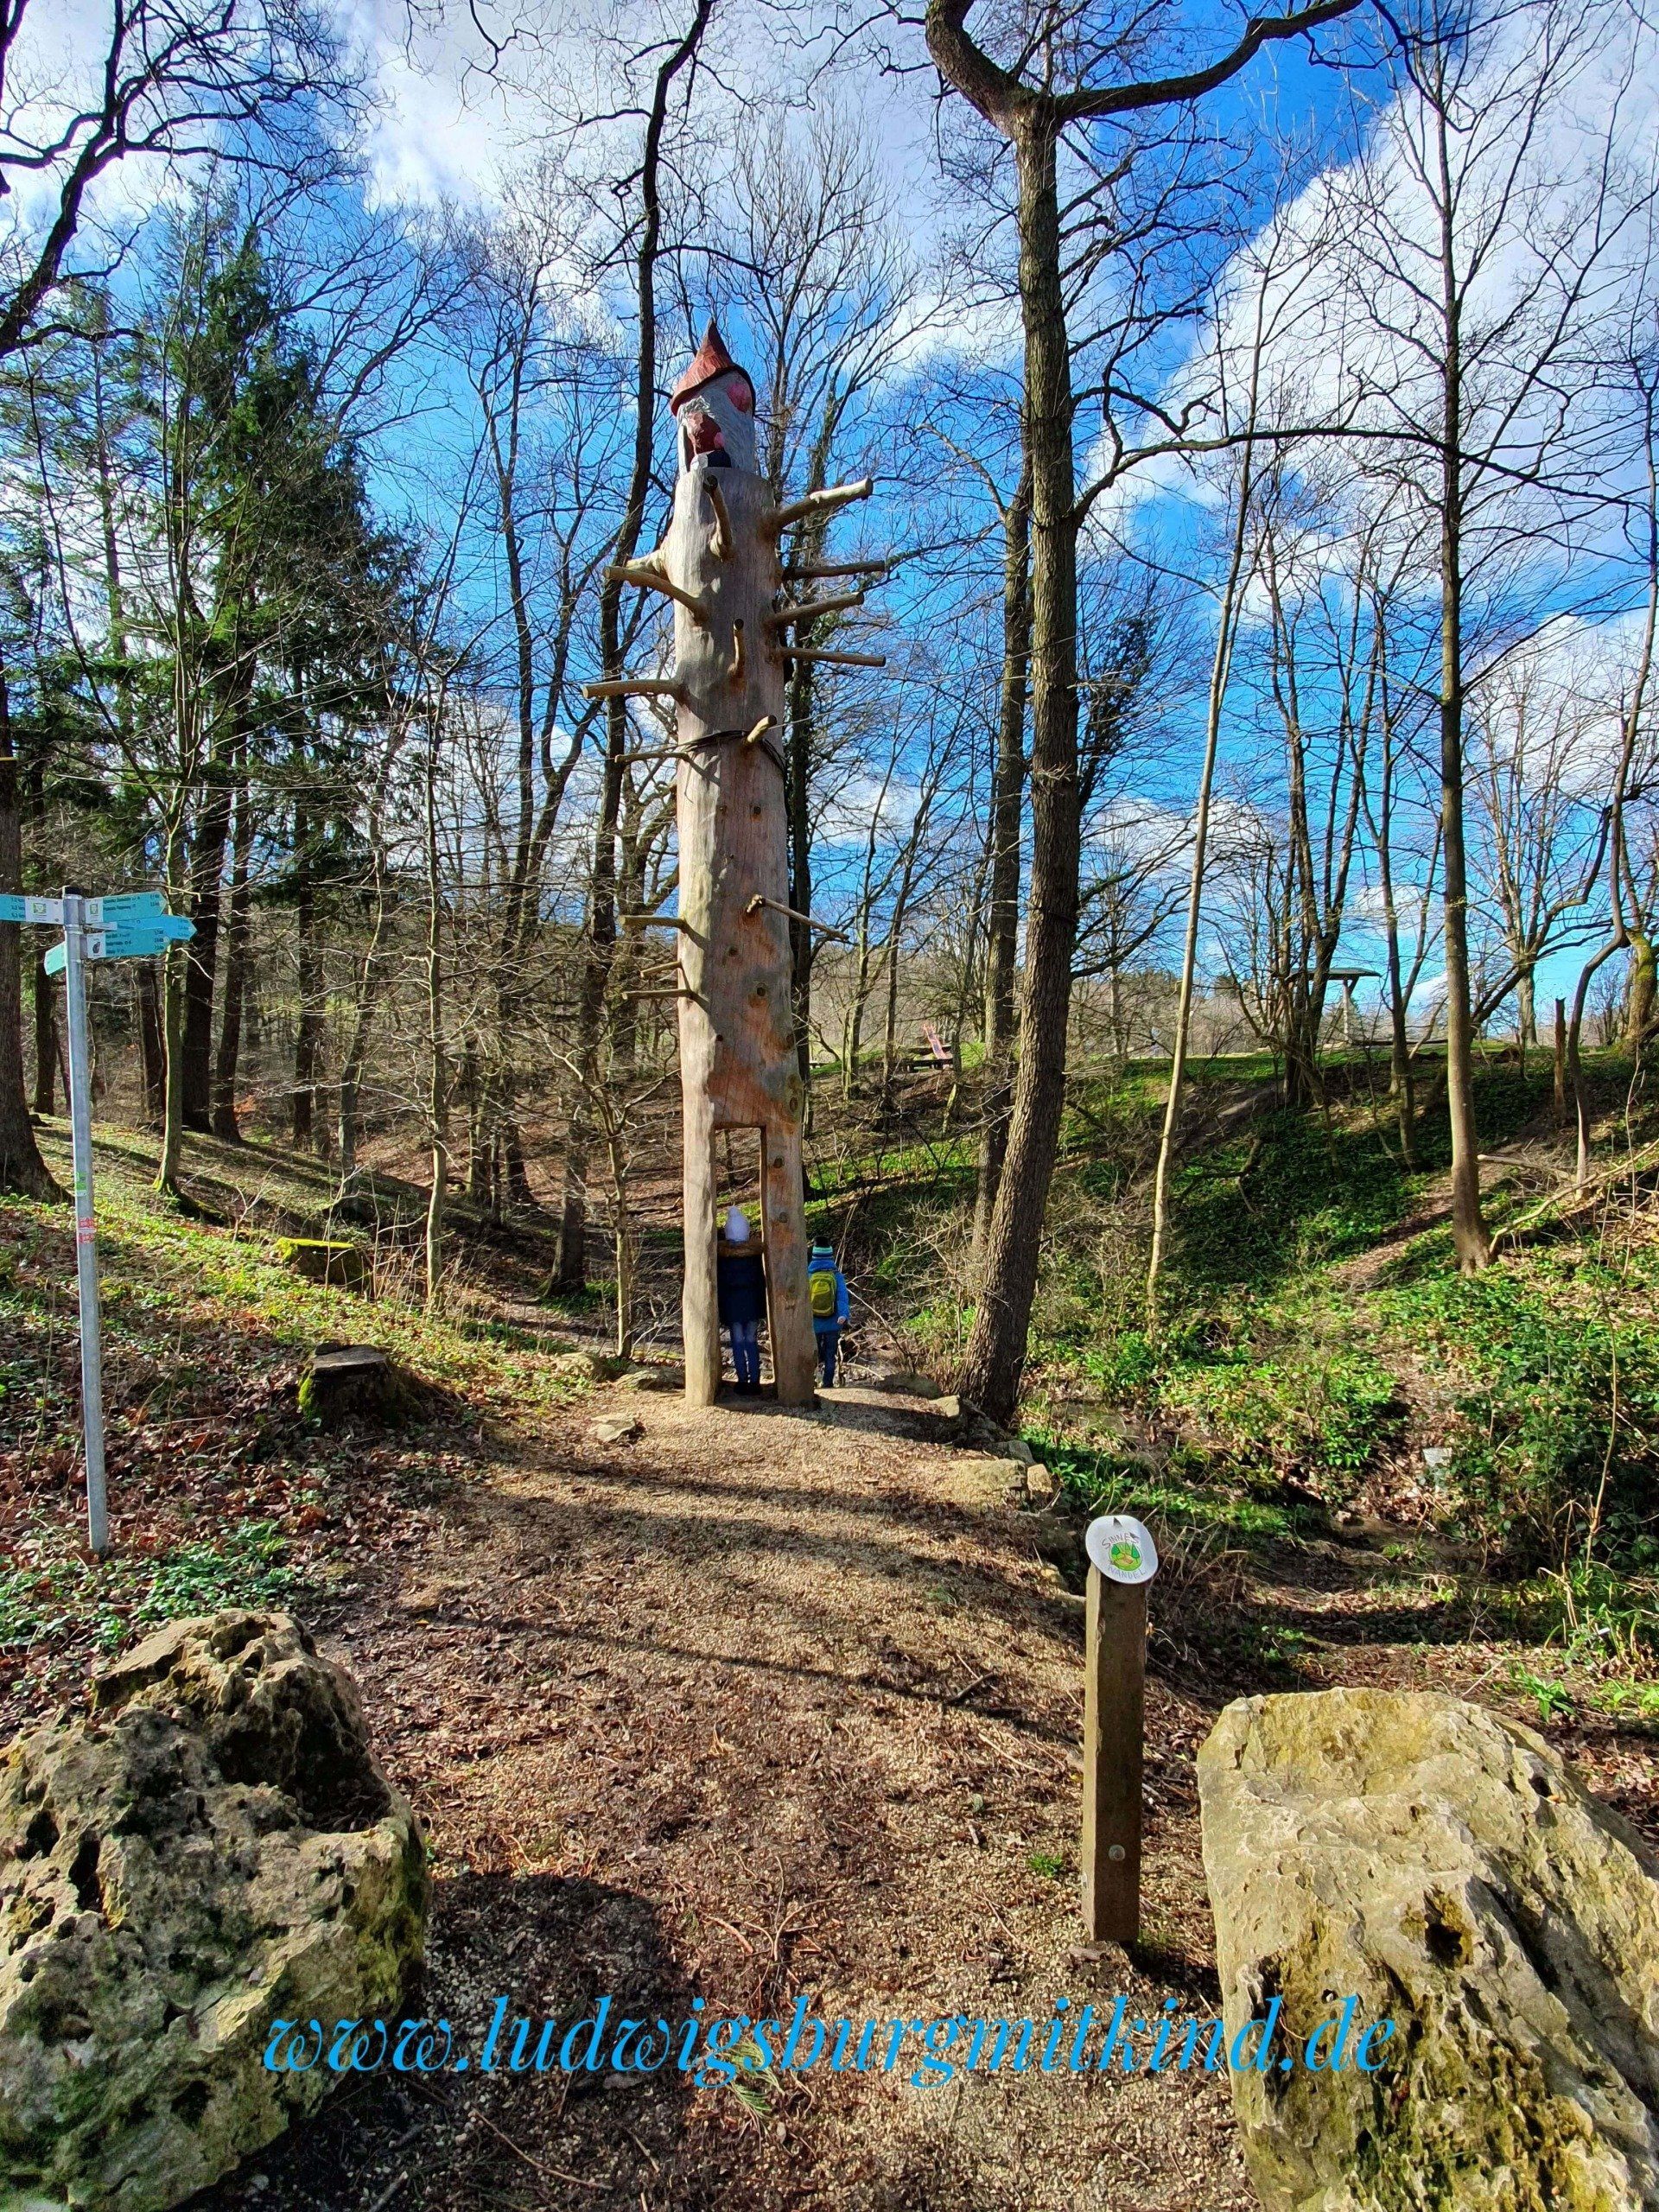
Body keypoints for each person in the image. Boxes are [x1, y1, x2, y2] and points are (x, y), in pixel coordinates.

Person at [715, 1207, 766, 1395]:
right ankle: (755, 1380)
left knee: (737, 1342)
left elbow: (720, 1288)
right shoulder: (755, 1258)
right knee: (751, 1341)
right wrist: (763, 1309)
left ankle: (742, 1379)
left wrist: (722, 1312)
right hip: (752, 1307)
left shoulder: (723, 1261)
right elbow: (762, 1285)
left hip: (733, 1308)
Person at [807, 1238, 850, 1388]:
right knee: (831, 1353)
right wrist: (843, 1315)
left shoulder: (808, 1275)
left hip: (814, 1322)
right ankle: (827, 1384)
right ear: (830, 1256)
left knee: (814, 1352)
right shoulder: (836, 1275)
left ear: (814, 1255)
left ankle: (811, 1381)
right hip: (834, 1322)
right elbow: (843, 1297)